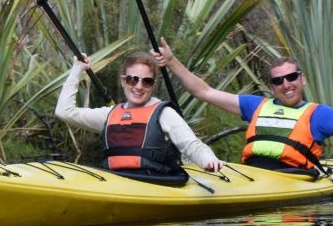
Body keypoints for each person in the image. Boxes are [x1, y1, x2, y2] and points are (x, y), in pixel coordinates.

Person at [152, 38, 333, 172]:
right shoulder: (255, 105)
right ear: (271, 86)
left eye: (292, 77)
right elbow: (204, 91)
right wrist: (172, 61)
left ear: (303, 79)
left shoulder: (318, 115)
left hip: (293, 178)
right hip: (252, 175)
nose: (286, 84)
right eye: (278, 81)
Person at [55, 52, 225, 177]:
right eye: (132, 79)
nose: (138, 86)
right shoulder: (110, 114)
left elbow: (192, 146)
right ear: (123, 81)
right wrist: (77, 70)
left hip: (156, 183)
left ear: (153, 85)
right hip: (115, 182)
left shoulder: (164, 114)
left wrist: (209, 160)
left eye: (147, 81)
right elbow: (64, 112)